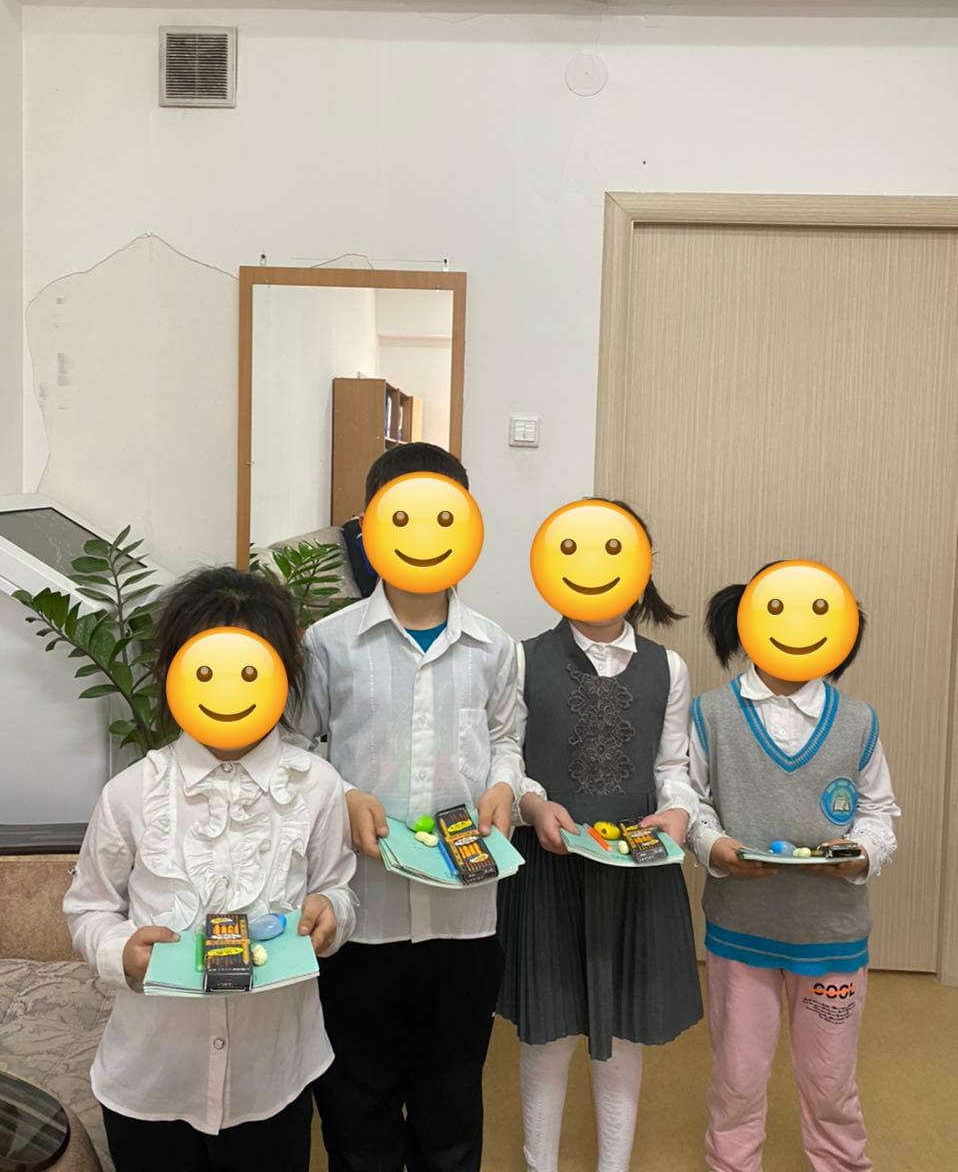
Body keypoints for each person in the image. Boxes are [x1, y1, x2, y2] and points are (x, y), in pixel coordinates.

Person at [63, 566, 357, 1172]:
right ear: (173, 673)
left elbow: (337, 886)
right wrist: (120, 951)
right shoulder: (131, 793)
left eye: (249, 670)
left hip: (272, 1079)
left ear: (282, 675)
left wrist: (331, 913)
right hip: (152, 1081)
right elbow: (89, 906)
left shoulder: (319, 787)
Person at [298, 441, 525, 1172]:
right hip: (361, 917)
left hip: (465, 916)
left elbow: (506, 738)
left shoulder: (495, 647)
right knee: (357, 1104)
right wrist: (342, 794)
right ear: (369, 527)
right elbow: (294, 752)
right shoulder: (328, 644)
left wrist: (504, 786)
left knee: (452, 1101)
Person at [497, 499, 703, 1172]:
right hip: (547, 867)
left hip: (636, 872)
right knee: (547, 1032)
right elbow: (506, 757)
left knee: (623, 1030)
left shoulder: (669, 668)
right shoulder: (522, 659)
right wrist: (533, 805)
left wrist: (678, 813)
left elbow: (673, 768)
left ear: (641, 568)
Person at [688, 561, 899, 1172]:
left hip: (832, 935)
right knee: (737, 1078)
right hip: (741, 930)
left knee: (830, 1080)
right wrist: (712, 846)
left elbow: (878, 811)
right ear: (746, 618)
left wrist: (861, 853)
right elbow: (690, 802)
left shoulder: (858, 720)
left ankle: (840, 1162)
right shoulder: (711, 713)